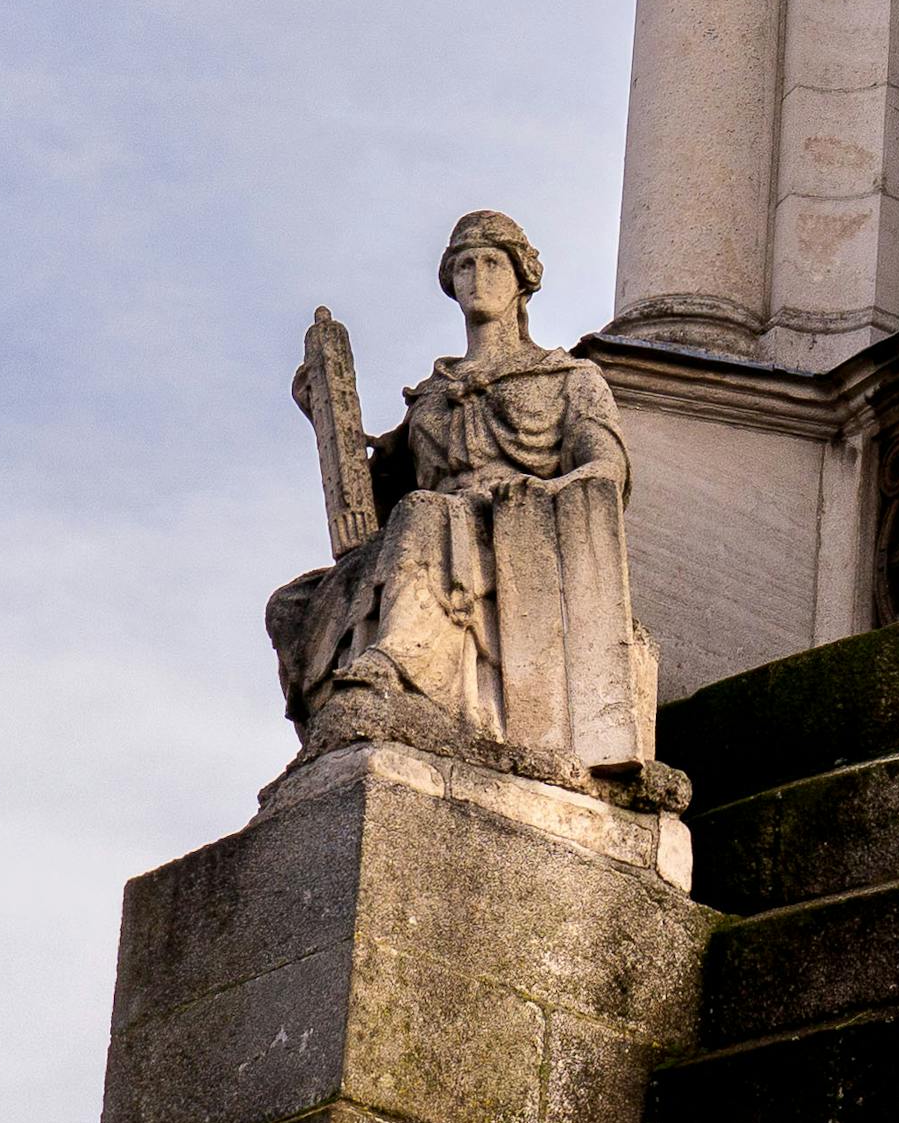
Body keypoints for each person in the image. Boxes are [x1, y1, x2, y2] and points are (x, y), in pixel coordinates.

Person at [270, 207, 654, 787]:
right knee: (292, 603)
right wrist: (324, 418)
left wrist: (531, 494)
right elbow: (372, 505)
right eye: (464, 265)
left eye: (491, 263)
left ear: (522, 278)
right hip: (429, 535)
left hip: (518, 528)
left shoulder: (568, 379)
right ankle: (334, 724)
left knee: (425, 511)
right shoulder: (430, 396)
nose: (477, 276)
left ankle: (398, 668)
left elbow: (605, 469)